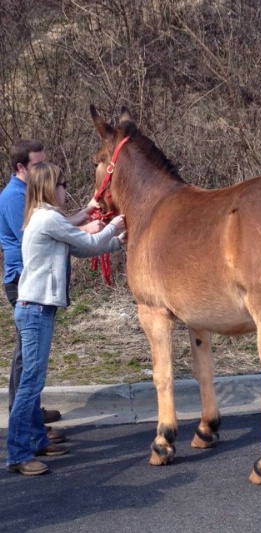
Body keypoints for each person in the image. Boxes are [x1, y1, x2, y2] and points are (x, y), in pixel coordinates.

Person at [7, 162, 126, 476]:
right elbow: (86, 242)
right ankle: (18, 454)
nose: (66, 190)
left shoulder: (44, 217)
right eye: (62, 185)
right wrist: (116, 226)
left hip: (37, 309)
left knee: (32, 383)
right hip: (35, 310)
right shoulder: (47, 218)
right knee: (30, 385)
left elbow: (78, 250)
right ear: (49, 187)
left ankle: (34, 440)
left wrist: (116, 241)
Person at [0, 140, 104, 443]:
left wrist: (84, 217)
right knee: (26, 361)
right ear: (21, 168)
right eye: (36, 166)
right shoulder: (14, 198)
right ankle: (26, 423)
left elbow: (58, 227)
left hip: (34, 282)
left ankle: (31, 414)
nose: (42, 170)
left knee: (31, 362)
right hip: (23, 281)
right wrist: (85, 230)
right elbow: (44, 233)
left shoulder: (33, 197)